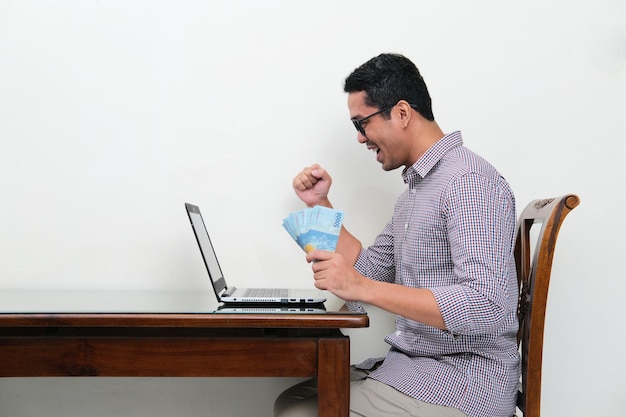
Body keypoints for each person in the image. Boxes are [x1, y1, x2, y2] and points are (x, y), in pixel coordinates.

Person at [274, 53, 520, 417]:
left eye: (362, 123)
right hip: (419, 368)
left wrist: (359, 287)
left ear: (402, 113)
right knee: (292, 400)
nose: (360, 138)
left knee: (301, 412)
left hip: (464, 383)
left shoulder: (467, 183)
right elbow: (370, 270)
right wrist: (320, 203)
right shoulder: (417, 191)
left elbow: (488, 305)